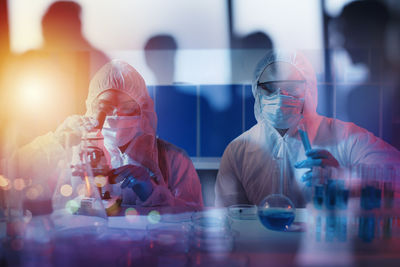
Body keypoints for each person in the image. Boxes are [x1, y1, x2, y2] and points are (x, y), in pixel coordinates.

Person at [215, 50, 400, 208]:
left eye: (290, 87)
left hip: (328, 245)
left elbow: (394, 174)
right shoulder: (239, 150)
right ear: (256, 91)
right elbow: (228, 221)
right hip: (265, 249)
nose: (280, 97)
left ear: (309, 89)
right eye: (269, 88)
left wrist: (343, 177)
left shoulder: (343, 136)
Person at [13, 60, 203, 208]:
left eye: (127, 108)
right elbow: (14, 175)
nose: (116, 115)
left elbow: (195, 217)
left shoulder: (172, 160)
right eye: (105, 107)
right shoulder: (70, 152)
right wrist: (56, 142)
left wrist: (154, 192)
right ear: (90, 108)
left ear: (143, 111)